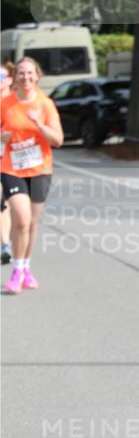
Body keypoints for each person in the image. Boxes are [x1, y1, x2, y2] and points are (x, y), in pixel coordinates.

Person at [1, 57, 64, 294]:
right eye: (21, 74)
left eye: (30, 74)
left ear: (37, 76)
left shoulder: (46, 104)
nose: (26, 78)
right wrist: (1, 136)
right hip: (12, 169)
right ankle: (16, 272)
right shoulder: (5, 104)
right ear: (15, 78)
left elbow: (58, 140)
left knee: (33, 224)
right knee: (21, 219)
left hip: (40, 171)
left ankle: (26, 267)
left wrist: (40, 126)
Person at [0, 64, 15, 264]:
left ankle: (6, 242)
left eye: (1, 76)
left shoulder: (16, 103)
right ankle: (5, 244)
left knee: (9, 204)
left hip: (15, 161)